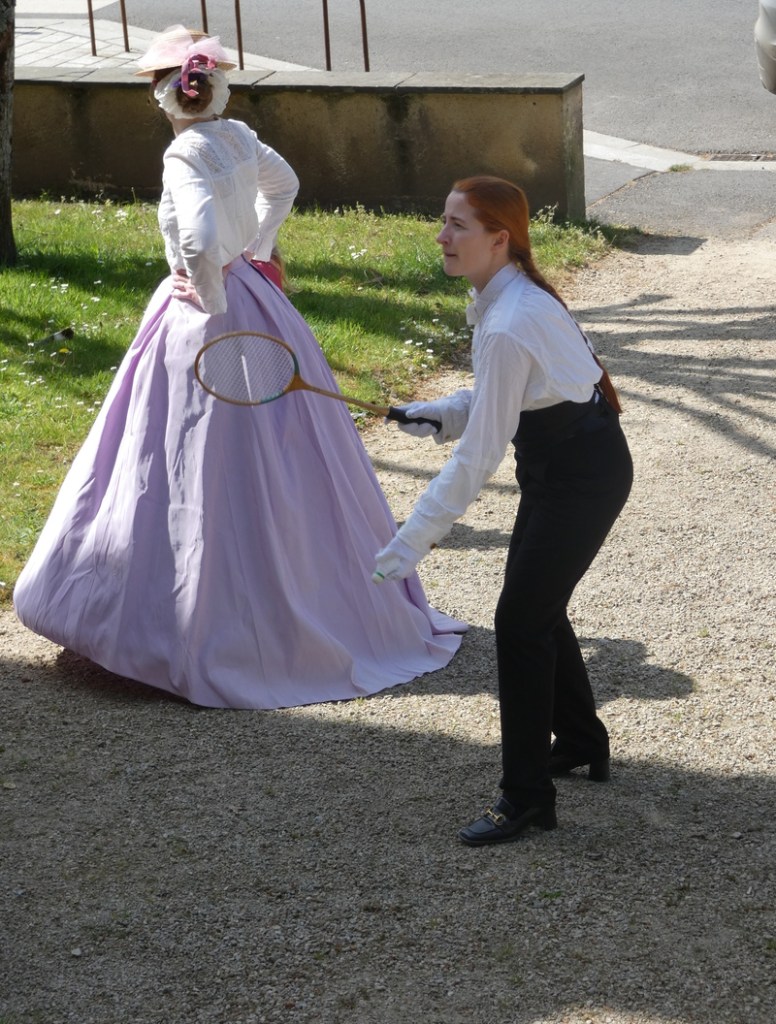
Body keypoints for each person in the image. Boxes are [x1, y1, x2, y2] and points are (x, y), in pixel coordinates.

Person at [12, 25, 464, 709]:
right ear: (217, 91)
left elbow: (196, 238)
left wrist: (209, 299)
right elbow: (285, 184)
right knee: (278, 449)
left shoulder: (183, 153)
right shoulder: (240, 137)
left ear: (164, 97)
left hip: (207, 315)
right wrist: (255, 249)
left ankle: (196, 616)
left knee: (186, 454)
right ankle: (293, 587)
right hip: (256, 299)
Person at [373, 175, 633, 845]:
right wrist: (442, 412)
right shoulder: (506, 298)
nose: (442, 235)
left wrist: (413, 539)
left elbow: (479, 456)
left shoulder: (511, 320)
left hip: (582, 479)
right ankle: (581, 740)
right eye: (444, 220)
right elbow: (504, 398)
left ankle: (526, 798)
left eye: (457, 225)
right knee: (535, 609)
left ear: (499, 238)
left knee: (520, 622)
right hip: (563, 468)